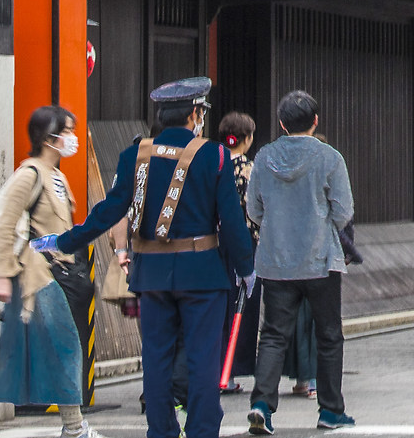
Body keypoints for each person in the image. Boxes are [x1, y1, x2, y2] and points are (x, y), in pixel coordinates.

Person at [56, 81, 253, 438]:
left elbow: (110, 210)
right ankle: (201, 431)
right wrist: (247, 267)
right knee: (202, 362)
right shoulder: (216, 156)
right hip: (203, 276)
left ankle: (160, 431)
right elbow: (232, 221)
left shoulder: (135, 157)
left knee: (157, 362)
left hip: (152, 275)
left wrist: (67, 240)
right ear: (195, 115)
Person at [0, 105, 88, 438]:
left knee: (14, 352)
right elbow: (6, 224)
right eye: (67, 131)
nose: (72, 137)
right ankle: (74, 427)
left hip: (55, 274)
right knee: (66, 347)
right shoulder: (30, 174)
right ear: (50, 137)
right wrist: (2, 273)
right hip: (35, 276)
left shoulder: (56, 175)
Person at [245, 88, 356, 435]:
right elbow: (343, 212)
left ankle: (262, 403)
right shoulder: (330, 158)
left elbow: (253, 209)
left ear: (281, 123)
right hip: (321, 260)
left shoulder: (263, 157)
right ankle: (330, 411)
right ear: (316, 121)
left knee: (274, 335)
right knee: (328, 335)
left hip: (276, 261)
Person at [218, 111, 264, 390]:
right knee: (240, 306)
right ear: (246, 139)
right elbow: (254, 210)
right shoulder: (248, 168)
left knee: (216, 308)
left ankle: (215, 370)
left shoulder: (211, 164)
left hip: (211, 244)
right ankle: (230, 373)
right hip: (243, 243)